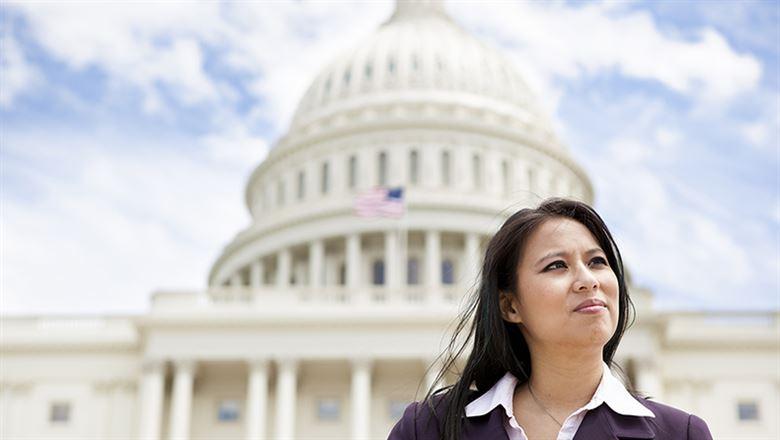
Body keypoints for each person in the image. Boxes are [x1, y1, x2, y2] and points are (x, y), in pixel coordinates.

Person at [388, 198, 712, 440]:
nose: (588, 280)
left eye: (597, 261)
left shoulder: (679, 434)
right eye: (557, 265)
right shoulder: (428, 429)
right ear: (510, 306)